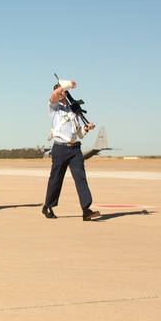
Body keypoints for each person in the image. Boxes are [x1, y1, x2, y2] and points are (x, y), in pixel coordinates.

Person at [42, 79, 99, 221]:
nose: (60, 93)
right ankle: (48, 206)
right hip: (60, 149)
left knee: (81, 178)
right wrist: (66, 84)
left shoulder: (73, 111)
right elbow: (54, 94)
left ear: (66, 94)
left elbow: (78, 133)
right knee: (56, 179)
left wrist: (86, 129)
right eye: (59, 91)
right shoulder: (54, 108)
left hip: (74, 149)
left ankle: (86, 209)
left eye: (63, 91)